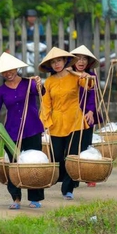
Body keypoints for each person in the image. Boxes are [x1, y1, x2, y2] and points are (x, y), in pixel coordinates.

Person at [0, 52, 46, 209]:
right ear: (1, 74)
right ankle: (16, 198)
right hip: (11, 133)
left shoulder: (29, 83)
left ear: (17, 68)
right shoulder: (1, 91)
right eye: (4, 72)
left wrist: (40, 84)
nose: (8, 73)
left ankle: (35, 199)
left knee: (34, 164)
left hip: (32, 129)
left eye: (11, 70)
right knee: (13, 165)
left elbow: (41, 91)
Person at [39, 47, 95, 201]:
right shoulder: (49, 82)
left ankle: (68, 189)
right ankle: (64, 178)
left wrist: (84, 75)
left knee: (72, 156)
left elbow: (90, 85)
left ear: (65, 61)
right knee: (57, 156)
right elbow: (46, 105)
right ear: (50, 65)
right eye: (53, 62)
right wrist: (46, 123)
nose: (57, 64)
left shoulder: (75, 77)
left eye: (59, 60)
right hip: (56, 123)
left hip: (75, 120)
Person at [70, 45, 100, 186]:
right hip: (70, 114)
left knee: (86, 144)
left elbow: (93, 95)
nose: (81, 62)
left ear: (88, 62)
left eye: (84, 59)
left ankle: (89, 175)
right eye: (78, 59)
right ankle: (73, 176)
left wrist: (90, 111)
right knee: (73, 145)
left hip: (87, 113)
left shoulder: (91, 76)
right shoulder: (68, 75)